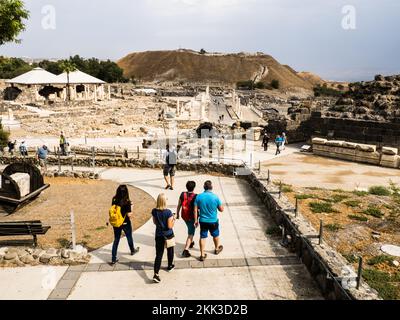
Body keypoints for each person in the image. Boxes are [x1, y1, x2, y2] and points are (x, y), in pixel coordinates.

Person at [194, 181, 224, 261]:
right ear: (212, 187)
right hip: (213, 221)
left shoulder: (199, 197)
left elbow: (195, 210)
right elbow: (221, 210)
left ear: (204, 187)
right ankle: (217, 248)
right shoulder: (215, 197)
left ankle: (202, 255)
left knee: (203, 237)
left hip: (203, 221)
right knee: (215, 235)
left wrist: (196, 220)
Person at [110, 185, 140, 265]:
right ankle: (132, 250)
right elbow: (129, 215)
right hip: (125, 222)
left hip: (116, 223)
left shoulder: (114, 199)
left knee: (116, 240)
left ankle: (113, 258)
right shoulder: (127, 201)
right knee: (129, 236)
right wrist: (132, 206)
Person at [152, 193, 175, 283]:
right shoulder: (168, 212)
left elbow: (154, 222)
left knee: (159, 254)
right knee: (170, 250)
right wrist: (174, 219)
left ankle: (156, 273)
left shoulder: (154, 211)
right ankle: (170, 265)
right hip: (168, 235)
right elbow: (169, 226)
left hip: (158, 235)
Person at [176, 181, 197, 258]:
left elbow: (179, 205)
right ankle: (186, 250)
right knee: (191, 233)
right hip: (191, 217)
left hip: (184, 216)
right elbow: (195, 210)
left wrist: (177, 214)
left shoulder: (182, 194)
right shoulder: (195, 196)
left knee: (190, 228)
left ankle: (191, 242)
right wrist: (196, 220)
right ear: (194, 187)